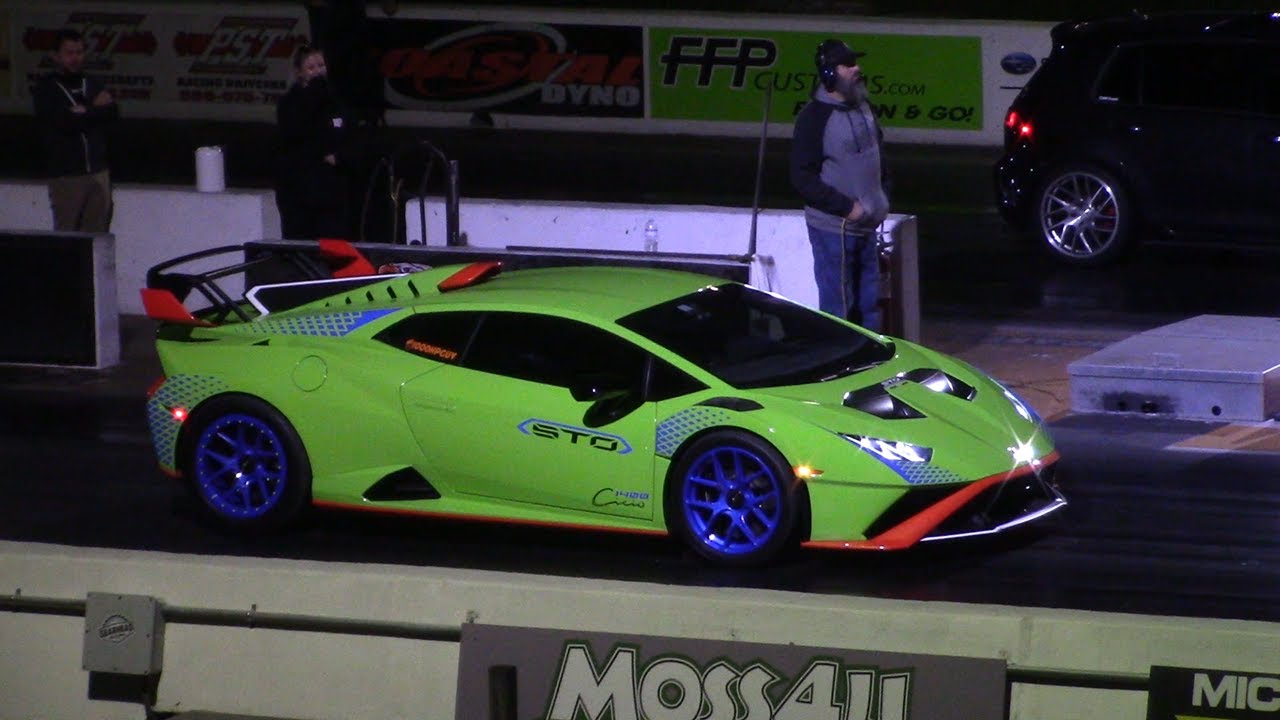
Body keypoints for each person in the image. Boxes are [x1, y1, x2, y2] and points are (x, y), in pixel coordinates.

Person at [790, 38, 890, 331]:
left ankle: (871, 355)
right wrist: (848, 208)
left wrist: (882, 196)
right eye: (848, 65)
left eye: (855, 63)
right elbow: (802, 178)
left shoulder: (864, 107)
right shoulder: (813, 118)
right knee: (839, 310)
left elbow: (879, 155)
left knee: (869, 307)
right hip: (835, 230)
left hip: (867, 227)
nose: (857, 69)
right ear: (830, 73)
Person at [31, 28, 119, 233]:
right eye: (69, 53)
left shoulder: (92, 82)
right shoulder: (47, 88)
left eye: (79, 52)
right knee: (67, 235)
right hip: (67, 175)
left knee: (97, 234)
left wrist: (84, 111)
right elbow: (63, 122)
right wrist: (93, 110)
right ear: (56, 56)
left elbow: (112, 112)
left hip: (98, 172)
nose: (75, 58)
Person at [274, 45, 353, 240]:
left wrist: (341, 156)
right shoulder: (289, 103)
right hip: (300, 191)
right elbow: (296, 135)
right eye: (311, 67)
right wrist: (323, 152)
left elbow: (349, 135)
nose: (318, 71)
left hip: (332, 191)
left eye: (321, 65)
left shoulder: (336, 101)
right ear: (299, 72)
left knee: (334, 243)